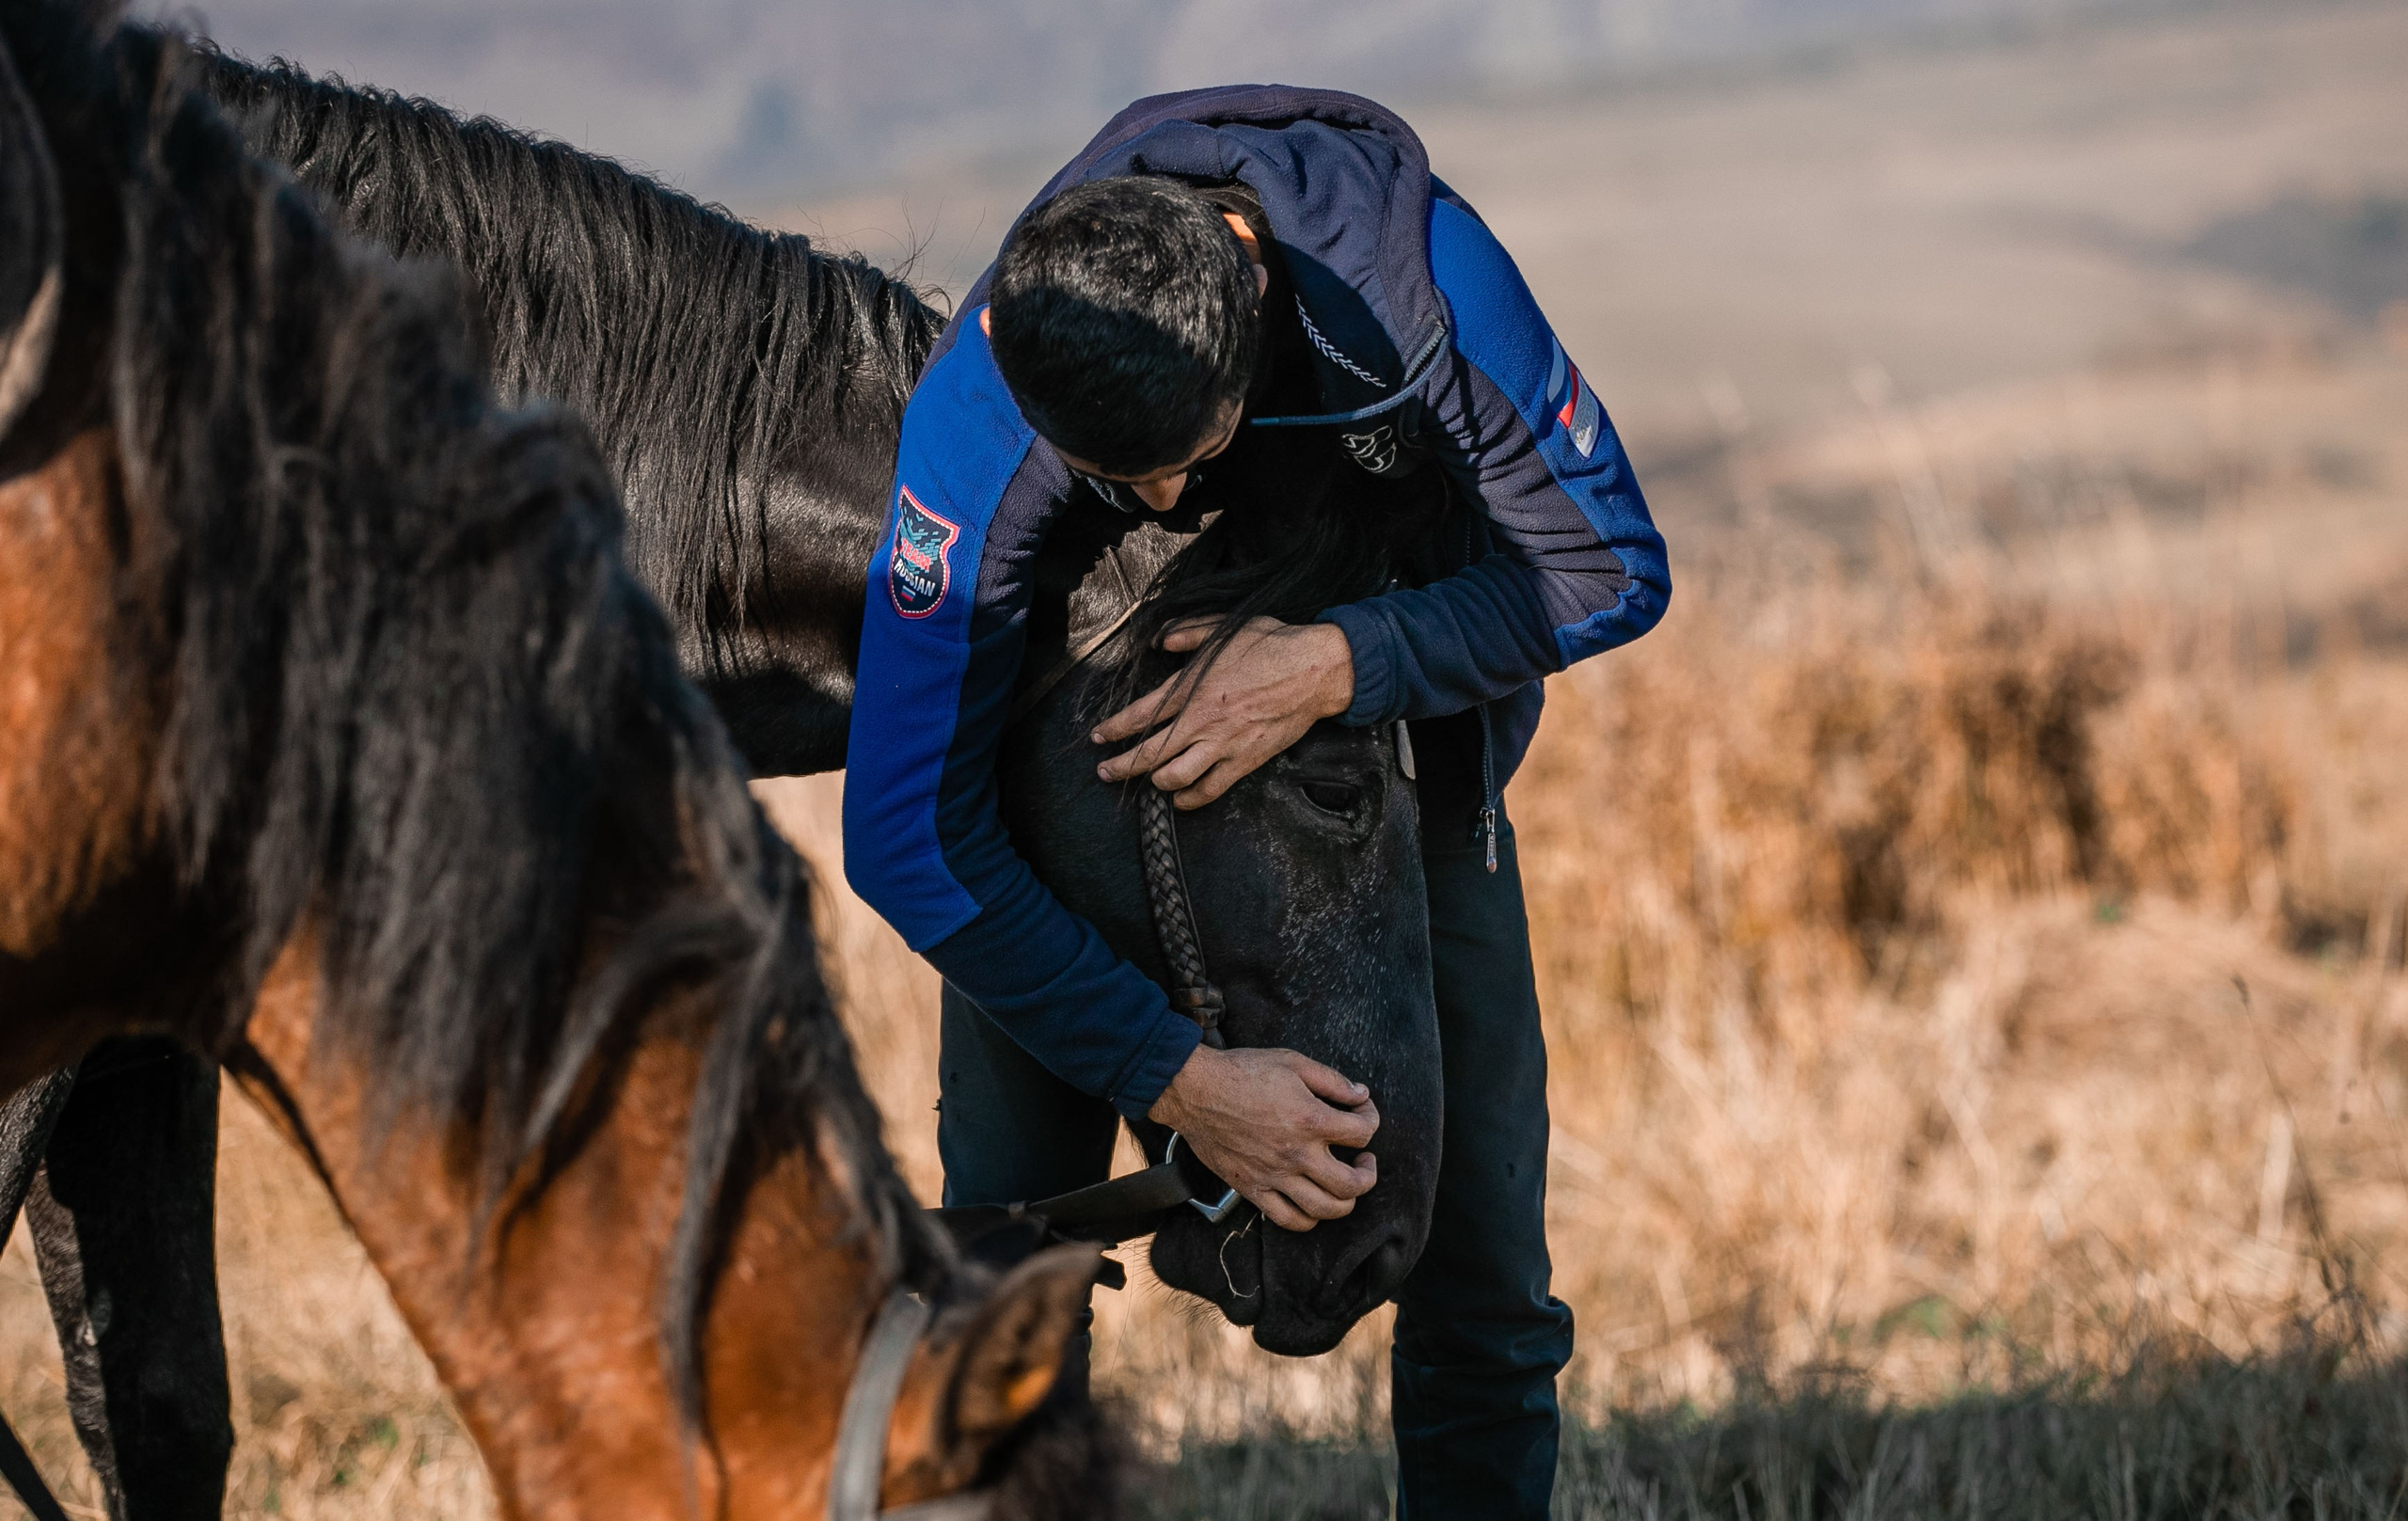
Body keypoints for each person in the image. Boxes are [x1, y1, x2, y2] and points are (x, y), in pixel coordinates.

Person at [843, 86, 1669, 1518]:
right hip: (1061, 807)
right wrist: (1177, 1080)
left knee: (1482, 1276)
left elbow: (1610, 567)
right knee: (996, 1253)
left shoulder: (1422, 283)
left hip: (1396, 780)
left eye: (1187, 455)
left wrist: (1336, 666)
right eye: (1115, 480)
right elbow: (903, 832)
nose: (1161, 500)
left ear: (1252, 306)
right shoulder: (987, 394)